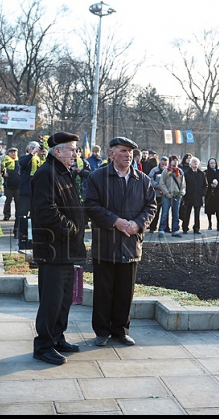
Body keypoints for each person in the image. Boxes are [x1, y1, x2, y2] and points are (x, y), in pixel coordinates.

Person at [84, 136, 156, 347]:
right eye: (123, 151)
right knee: (104, 290)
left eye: (130, 151)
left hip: (131, 244)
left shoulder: (142, 179)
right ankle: (102, 331)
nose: (128, 155)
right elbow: (90, 205)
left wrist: (138, 224)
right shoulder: (98, 177)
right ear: (111, 154)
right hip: (106, 242)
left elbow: (151, 206)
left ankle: (120, 330)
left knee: (125, 291)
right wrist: (114, 221)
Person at [30, 132, 87, 366]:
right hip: (53, 248)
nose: (76, 154)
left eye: (76, 150)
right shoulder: (46, 174)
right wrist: (72, 228)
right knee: (51, 301)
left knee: (63, 299)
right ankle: (43, 345)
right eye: (72, 149)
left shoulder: (62, 172)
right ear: (57, 151)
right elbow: (46, 210)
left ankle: (57, 337)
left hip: (66, 249)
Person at [17, 140, 45, 247]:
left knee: (35, 214)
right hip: (25, 191)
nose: (38, 150)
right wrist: (32, 154)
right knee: (22, 214)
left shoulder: (39, 160)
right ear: (30, 149)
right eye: (36, 148)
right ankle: (20, 233)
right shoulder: (25, 158)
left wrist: (44, 155)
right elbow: (23, 164)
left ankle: (33, 234)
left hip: (36, 191)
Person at [157, 154, 185, 238]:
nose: (175, 161)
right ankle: (162, 229)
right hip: (167, 195)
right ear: (170, 161)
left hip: (176, 195)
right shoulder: (166, 171)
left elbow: (183, 184)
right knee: (165, 212)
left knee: (176, 213)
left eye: (176, 160)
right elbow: (162, 183)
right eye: (173, 160)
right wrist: (166, 193)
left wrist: (182, 192)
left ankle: (175, 230)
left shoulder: (180, 171)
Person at [181, 156, 206, 234]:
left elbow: (205, 185)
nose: (195, 163)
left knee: (197, 214)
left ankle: (196, 228)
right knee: (187, 213)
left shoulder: (202, 173)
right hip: (189, 195)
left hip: (198, 196)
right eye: (193, 162)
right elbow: (183, 184)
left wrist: (202, 192)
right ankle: (185, 228)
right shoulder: (186, 173)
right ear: (190, 164)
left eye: (196, 162)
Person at [147, 156, 168, 234]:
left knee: (165, 212)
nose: (163, 165)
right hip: (157, 193)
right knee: (156, 211)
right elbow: (150, 178)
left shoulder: (169, 171)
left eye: (165, 164)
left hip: (166, 194)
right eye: (162, 163)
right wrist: (156, 185)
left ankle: (165, 227)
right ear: (160, 162)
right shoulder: (154, 170)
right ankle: (153, 227)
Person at [1, 147, 20, 223]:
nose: (13, 153)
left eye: (15, 152)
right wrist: (3, 173)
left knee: (18, 202)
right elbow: (1, 171)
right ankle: (6, 215)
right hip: (8, 185)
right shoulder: (5, 161)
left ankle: (18, 215)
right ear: (8, 153)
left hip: (18, 186)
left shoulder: (19, 162)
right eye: (11, 152)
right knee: (7, 201)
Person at [204, 158, 219, 231]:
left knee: (218, 209)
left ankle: (218, 224)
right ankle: (209, 223)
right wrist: (210, 185)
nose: (212, 165)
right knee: (209, 208)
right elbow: (205, 182)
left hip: (217, 192)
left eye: (214, 163)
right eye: (211, 163)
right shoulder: (206, 172)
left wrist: (217, 185)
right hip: (209, 192)